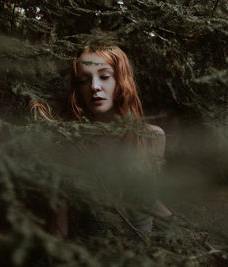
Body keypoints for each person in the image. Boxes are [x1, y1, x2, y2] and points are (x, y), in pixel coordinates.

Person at [30, 45, 171, 240]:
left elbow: (148, 199)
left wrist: (186, 232)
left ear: (121, 80)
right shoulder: (73, 144)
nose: (94, 86)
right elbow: (60, 222)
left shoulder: (153, 138)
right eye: (84, 80)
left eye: (104, 76)